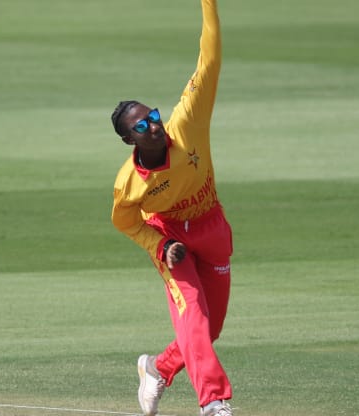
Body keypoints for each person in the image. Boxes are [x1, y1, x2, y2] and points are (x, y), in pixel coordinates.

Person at [110, 1, 234, 415]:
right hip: (169, 237)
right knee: (194, 316)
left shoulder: (188, 123)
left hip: (211, 225)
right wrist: (160, 246)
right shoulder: (130, 183)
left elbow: (210, 59)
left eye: (154, 116)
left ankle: (157, 369)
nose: (155, 126)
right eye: (141, 126)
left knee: (210, 328)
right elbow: (124, 221)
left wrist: (208, 5)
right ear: (131, 141)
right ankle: (214, 403)